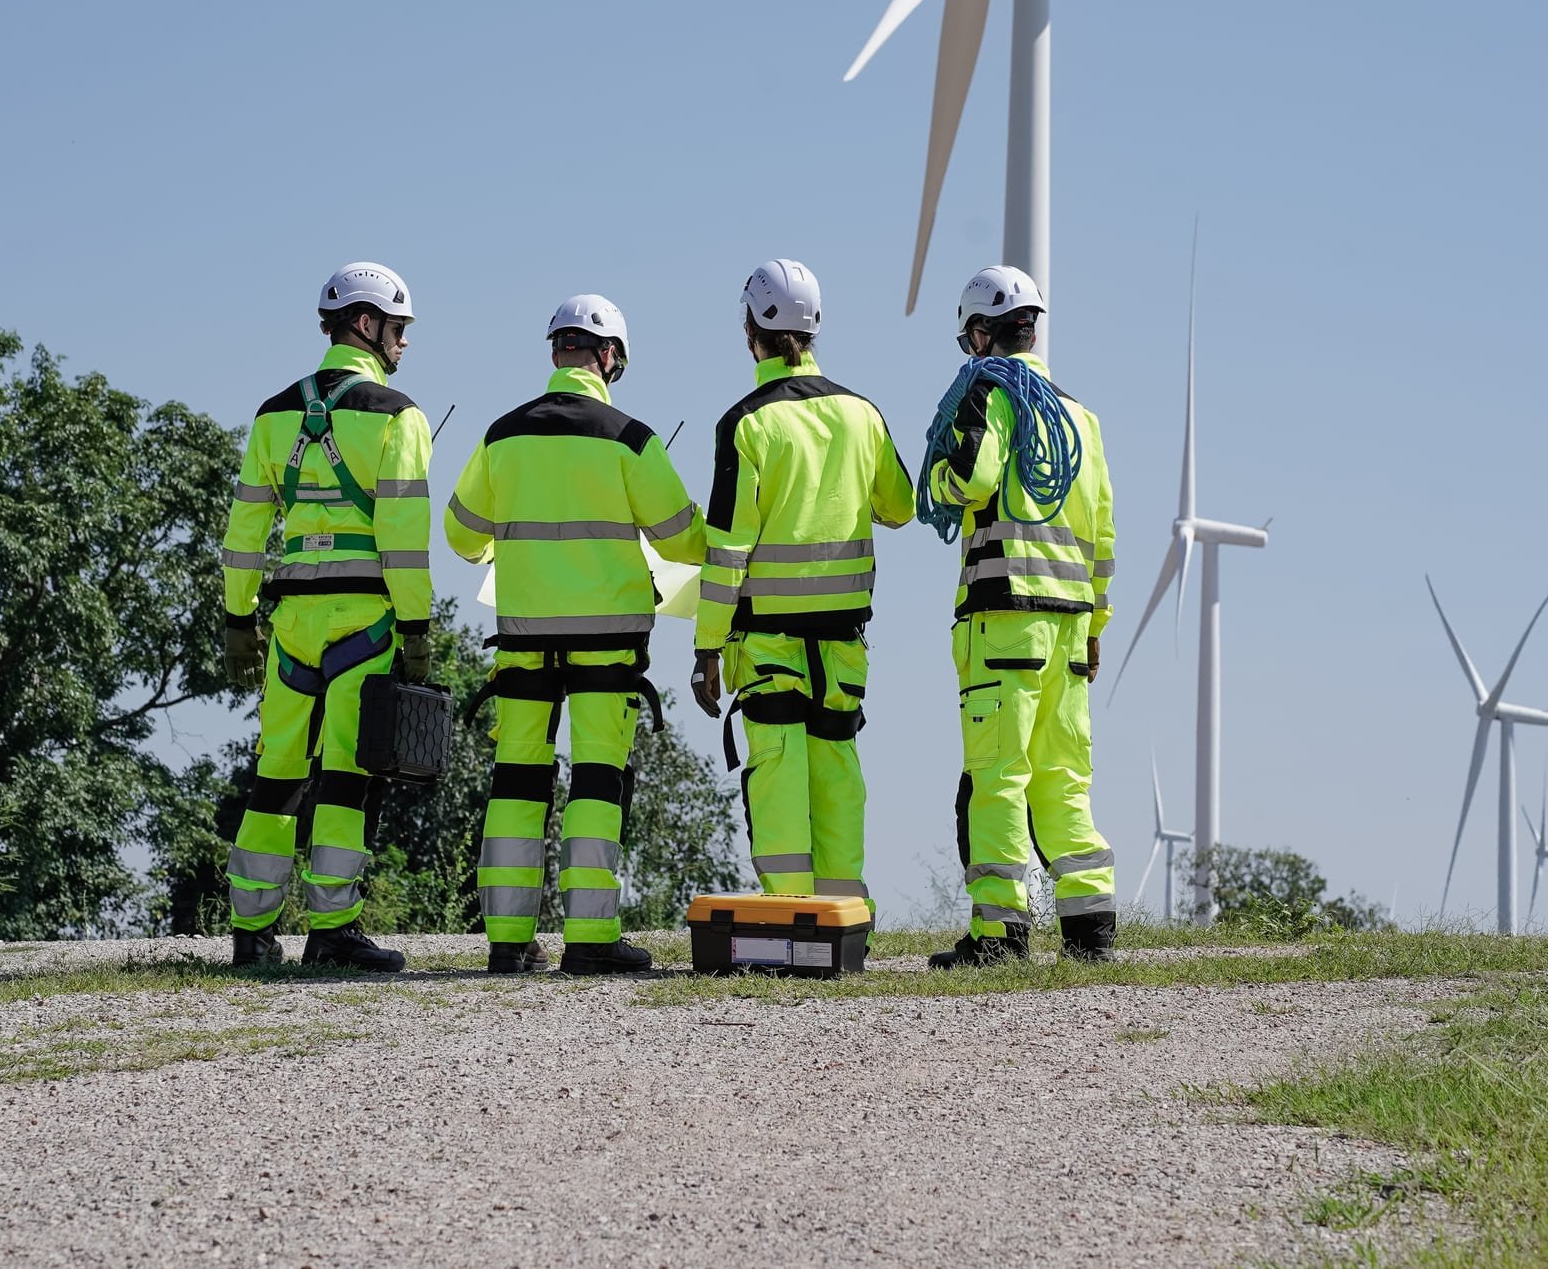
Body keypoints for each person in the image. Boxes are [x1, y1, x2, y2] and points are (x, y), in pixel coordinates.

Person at [444, 296, 708, 974]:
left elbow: (460, 533)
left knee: (517, 780)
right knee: (596, 779)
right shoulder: (630, 438)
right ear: (611, 356)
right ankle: (589, 941)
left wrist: (510, 550)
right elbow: (684, 539)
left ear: (555, 351)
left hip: (524, 637)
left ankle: (507, 942)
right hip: (606, 644)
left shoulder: (502, 436)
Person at [219, 261, 435, 972]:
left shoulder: (274, 414)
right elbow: (404, 540)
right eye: (398, 328)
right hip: (364, 621)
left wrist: (237, 620)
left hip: (289, 626)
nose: (403, 343)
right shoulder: (398, 415)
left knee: (276, 770)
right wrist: (415, 630)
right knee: (346, 773)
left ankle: (251, 932)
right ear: (367, 324)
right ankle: (333, 929)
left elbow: (246, 531)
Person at [688, 259, 913, 910]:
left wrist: (707, 648)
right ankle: (847, 918)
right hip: (843, 645)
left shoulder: (746, 422)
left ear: (751, 328)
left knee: (778, 773)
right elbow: (898, 507)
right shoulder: (862, 413)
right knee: (838, 774)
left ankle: (789, 916)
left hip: (768, 646)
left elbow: (727, 550)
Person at [922, 266, 1120, 968]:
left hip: (1004, 621)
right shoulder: (1083, 420)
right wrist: (1095, 627)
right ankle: (1090, 930)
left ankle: (999, 936)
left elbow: (973, 476)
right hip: (1069, 629)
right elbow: (1103, 535)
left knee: (998, 775)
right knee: (1064, 776)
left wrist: (941, 482)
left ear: (982, 331)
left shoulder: (990, 388)